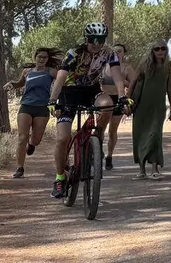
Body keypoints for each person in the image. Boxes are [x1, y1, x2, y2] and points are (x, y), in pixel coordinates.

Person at [48, 22, 127, 198]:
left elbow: (117, 76)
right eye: (93, 39)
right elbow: (61, 77)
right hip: (69, 92)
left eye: (100, 39)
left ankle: (97, 138)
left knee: (107, 104)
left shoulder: (109, 53)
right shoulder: (74, 53)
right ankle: (60, 178)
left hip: (90, 90)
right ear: (86, 39)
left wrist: (122, 96)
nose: (96, 43)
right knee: (62, 138)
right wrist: (53, 100)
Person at [127, 42, 171, 179]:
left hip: (158, 106)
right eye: (157, 49)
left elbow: (170, 87)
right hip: (142, 106)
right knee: (140, 136)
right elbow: (132, 83)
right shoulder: (144, 65)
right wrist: (126, 101)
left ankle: (155, 169)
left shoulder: (170, 66)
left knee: (155, 136)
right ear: (152, 51)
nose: (160, 51)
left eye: (163, 48)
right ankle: (142, 170)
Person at [7, 48, 59, 178]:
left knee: (36, 139)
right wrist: (11, 84)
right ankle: (20, 168)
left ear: (47, 59)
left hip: (42, 108)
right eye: (39, 57)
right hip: (26, 105)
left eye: (44, 57)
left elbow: (63, 80)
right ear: (35, 57)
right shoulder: (27, 71)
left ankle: (31, 144)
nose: (41, 59)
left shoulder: (51, 72)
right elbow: (19, 83)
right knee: (22, 137)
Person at [101, 43, 130, 169]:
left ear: (124, 53)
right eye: (115, 51)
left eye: (120, 51)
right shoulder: (102, 67)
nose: (117, 53)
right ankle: (97, 150)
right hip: (103, 101)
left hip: (118, 99)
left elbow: (133, 84)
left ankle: (109, 156)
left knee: (112, 130)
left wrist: (122, 82)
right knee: (100, 128)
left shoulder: (126, 68)